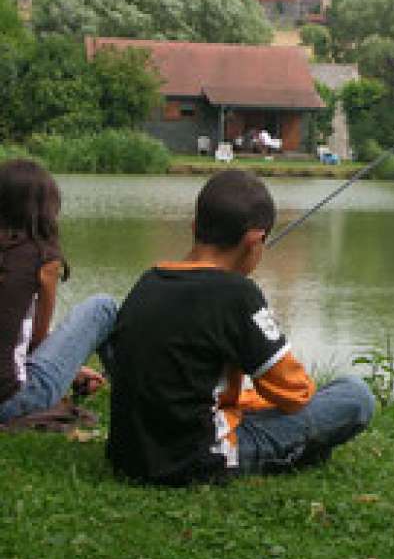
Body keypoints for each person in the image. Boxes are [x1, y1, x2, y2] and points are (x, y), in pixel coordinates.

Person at [105, 169, 374, 485]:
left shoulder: (148, 282)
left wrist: (247, 401)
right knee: (354, 396)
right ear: (255, 240)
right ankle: (296, 451)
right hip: (197, 459)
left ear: (195, 228)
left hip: (128, 457)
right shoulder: (236, 294)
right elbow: (294, 393)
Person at [0, 159, 117, 426]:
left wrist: (72, 369)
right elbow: (38, 342)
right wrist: (70, 368)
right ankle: (136, 395)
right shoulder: (42, 259)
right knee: (102, 307)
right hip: (11, 401)